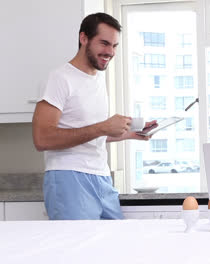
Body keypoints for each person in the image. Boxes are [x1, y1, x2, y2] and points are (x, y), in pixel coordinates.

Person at [32, 13, 156, 220]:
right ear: (84, 39)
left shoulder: (97, 79)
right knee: (78, 249)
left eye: (114, 46)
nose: (110, 52)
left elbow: (89, 134)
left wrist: (131, 133)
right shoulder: (59, 78)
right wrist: (103, 127)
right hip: (69, 176)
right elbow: (42, 138)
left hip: (102, 178)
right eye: (104, 43)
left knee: (111, 248)